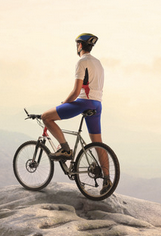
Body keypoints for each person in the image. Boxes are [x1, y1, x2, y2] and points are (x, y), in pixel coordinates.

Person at [41, 33, 112, 193]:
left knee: (46, 117)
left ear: (79, 46)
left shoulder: (82, 62)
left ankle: (65, 149)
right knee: (98, 143)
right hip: (97, 104)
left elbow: (76, 91)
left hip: (83, 102)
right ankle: (107, 180)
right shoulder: (98, 63)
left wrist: (64, 104)